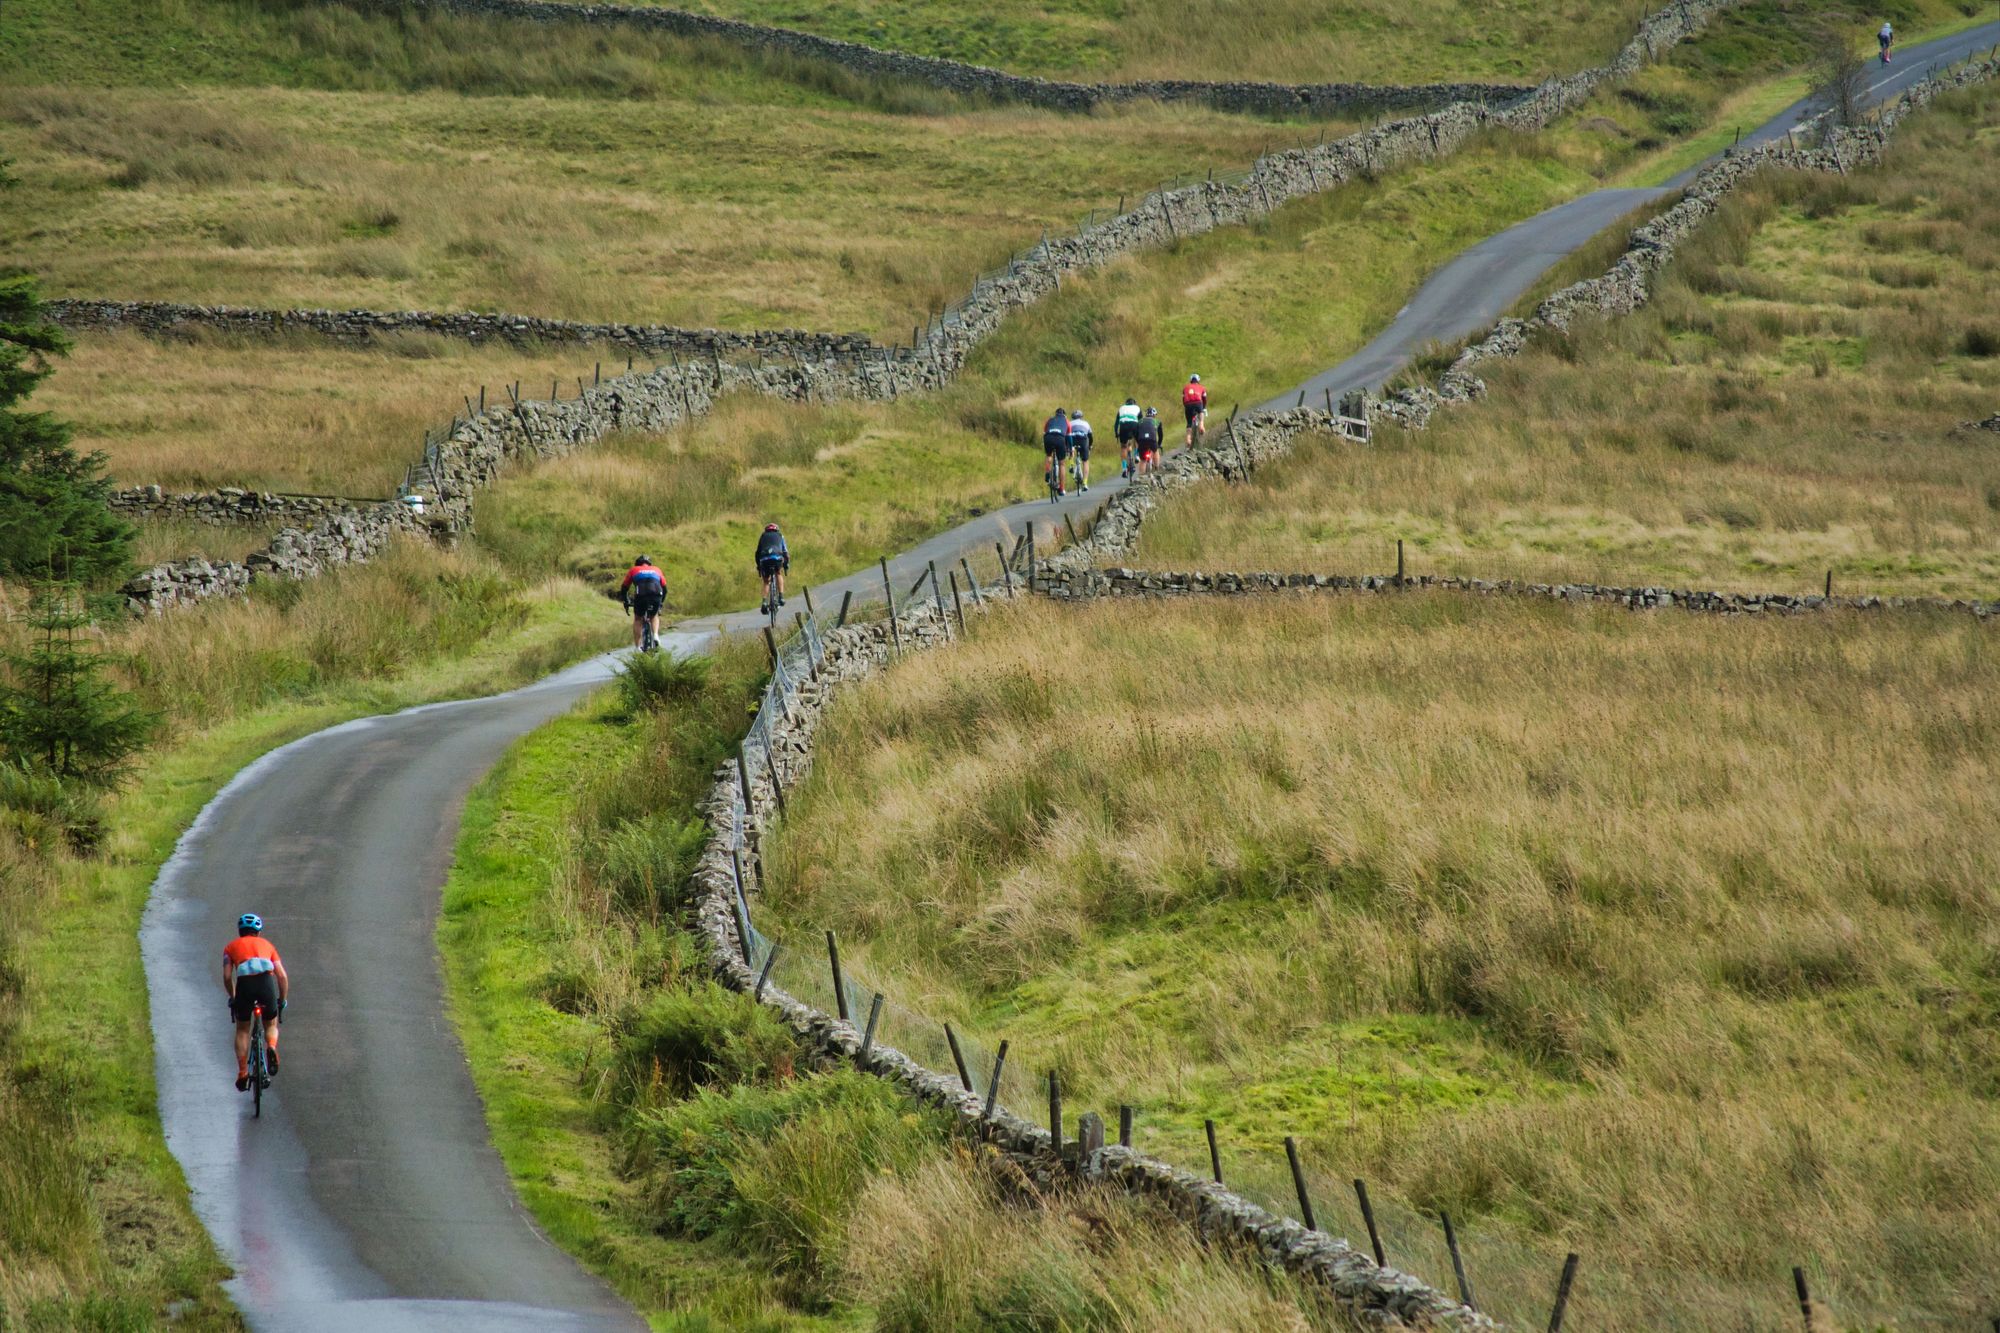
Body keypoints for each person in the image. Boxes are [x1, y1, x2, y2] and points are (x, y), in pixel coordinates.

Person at [223, 913, 288, 1091]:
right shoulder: (268, 945)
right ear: (258, 932)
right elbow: (282, 976)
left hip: (245, 985)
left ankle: (243, 1072)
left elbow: (227, 977)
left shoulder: (230, 947)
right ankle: (271, 1047)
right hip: (266, 984)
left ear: (240, 931)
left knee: (243, 1029)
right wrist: (282, 1000)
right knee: (271, 1024)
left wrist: (233, 997)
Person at [619, 554, 666, 651]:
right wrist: (660, 603)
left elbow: (624, 588)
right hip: (657, 593)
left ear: (637, 564)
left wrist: (626, 601)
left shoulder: (634, 569)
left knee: (638, 619)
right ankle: (656, 635)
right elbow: (665, 589)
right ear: (649, 564)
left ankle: (637, 647)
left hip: (641, 594)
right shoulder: (656, 569)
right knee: (654, 615)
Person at [755, 523, 789, 615]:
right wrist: (786, 565)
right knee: (778, 573)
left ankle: (764, 602)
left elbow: (757, 553)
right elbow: (785, 552)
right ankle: (781, 597)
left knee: (766, 582)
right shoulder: (780, 535)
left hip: (764, 559)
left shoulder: (763, 536)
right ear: (776, 530)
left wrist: (759, 566)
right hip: (777, 558)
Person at [1042, 408, 1070, 497]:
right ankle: (1061, 489)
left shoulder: (1050, 419)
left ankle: (1047, 472)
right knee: (1062, 463)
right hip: (1060, 438)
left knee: (1049, 455)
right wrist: (1069, 449)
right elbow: (1069, 437)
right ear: (1064, 415)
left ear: (1056, 414)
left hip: (1048, 437)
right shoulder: (1067, 421)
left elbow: (1044, 431)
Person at [1067, 408, 1094, 493]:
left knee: (1071, 449)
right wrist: (1090, 446)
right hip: (1083, 440)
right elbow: (1090, 437)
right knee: (1085, 461)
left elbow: (1066, 435)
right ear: (1081, 417)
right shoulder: (1086, 423)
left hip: (1073, 438)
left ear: (1072, 417)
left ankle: (1071, 464)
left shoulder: (1069, 423)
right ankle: (1085, 483)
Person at [1114, 396, 1141, 477]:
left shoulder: (1121, 408)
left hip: (1123, 426)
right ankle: (1136, 455)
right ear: (1134, 403)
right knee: (1137, 440)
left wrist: (1116, 433)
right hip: (1134, 425)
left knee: (1123, 447)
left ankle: (1124, 469)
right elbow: (1141, 421)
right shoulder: (1137, 407)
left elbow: (1116, 424)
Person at [1181, 373, 1209, 448]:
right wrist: (1203, 408)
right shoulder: (1201, 387)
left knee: (1189, 423)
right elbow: (1204, 399)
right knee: (1201, 413)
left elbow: (1183, 399)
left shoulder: (1185, 388)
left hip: (1188, 405)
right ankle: (1201, 425)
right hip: (1198, 403)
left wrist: (1186, 407)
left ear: (1191, 380)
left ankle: (1188, 439)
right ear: (1198, 380)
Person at [1134, 406, 1164, 474]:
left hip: (1141, 440)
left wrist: (1138, 442)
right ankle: (1157, 469)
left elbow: (1135, 434)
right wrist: (1158, 444)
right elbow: (1161, 435)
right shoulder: (1157, 421)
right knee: (1155, 451)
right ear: (1154, 415)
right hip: (1152, 440)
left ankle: (1141, 476)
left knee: (1143, 460)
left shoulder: (1140, 421)